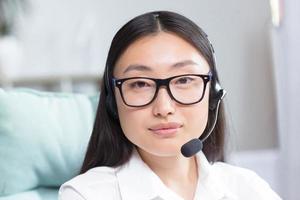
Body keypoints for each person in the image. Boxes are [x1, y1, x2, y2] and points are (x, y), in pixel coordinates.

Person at [59, 11, 281, 200]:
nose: (164, 107)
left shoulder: (247, 188)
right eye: (140, 83)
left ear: (213, 94)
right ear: (112, 100)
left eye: (184, 80)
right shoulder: (87, 195)